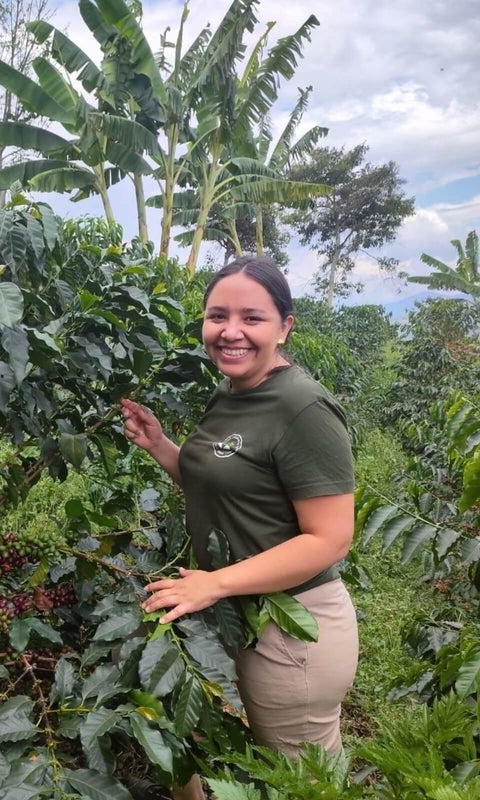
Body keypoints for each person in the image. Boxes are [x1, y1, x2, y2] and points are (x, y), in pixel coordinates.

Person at [121, 257, 358, 798]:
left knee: (299, 784)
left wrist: (216, 582)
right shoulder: (230, 392)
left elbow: (330, 538)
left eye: (252, 318)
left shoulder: (304, 408)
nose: (230, 332)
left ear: (285, 326)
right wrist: (160, 445)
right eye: (217, 315)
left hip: (292, 629)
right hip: (229, 613)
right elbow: (218, 485)